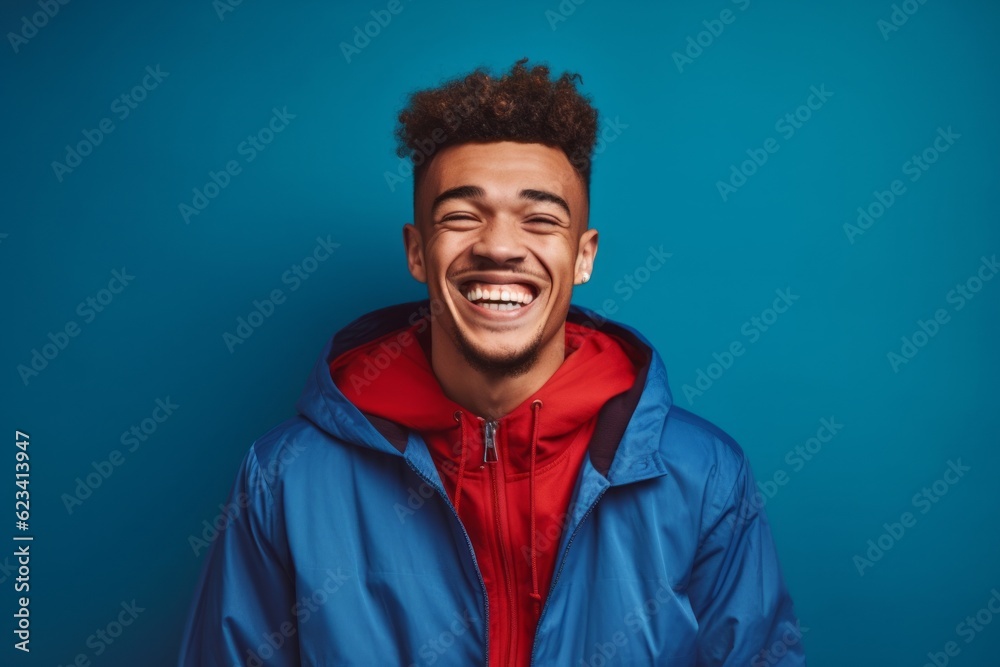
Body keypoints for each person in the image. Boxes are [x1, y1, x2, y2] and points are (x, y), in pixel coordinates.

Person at [178, 58, 806, 666]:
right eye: (461, 216)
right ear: (417, 251)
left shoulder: (704, 478)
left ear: (583, 256)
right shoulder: (285, 480)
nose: (501, 245)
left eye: (539, 219)